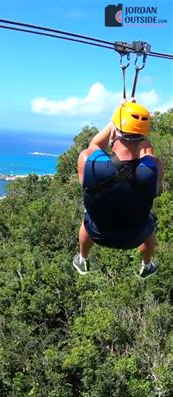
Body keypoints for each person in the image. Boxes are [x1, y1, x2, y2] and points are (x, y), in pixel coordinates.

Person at [73, 101, 164, 279]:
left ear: (114, 131)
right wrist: (138, 130)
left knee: (87, 216)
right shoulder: (154, 168)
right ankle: (147, 264)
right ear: (144, 135)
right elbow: (150, 160)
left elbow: (94, 145)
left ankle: (83, 258)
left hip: (98, 232)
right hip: (134, 236)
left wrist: (115, 119)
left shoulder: (89, 162)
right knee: (150, 224)